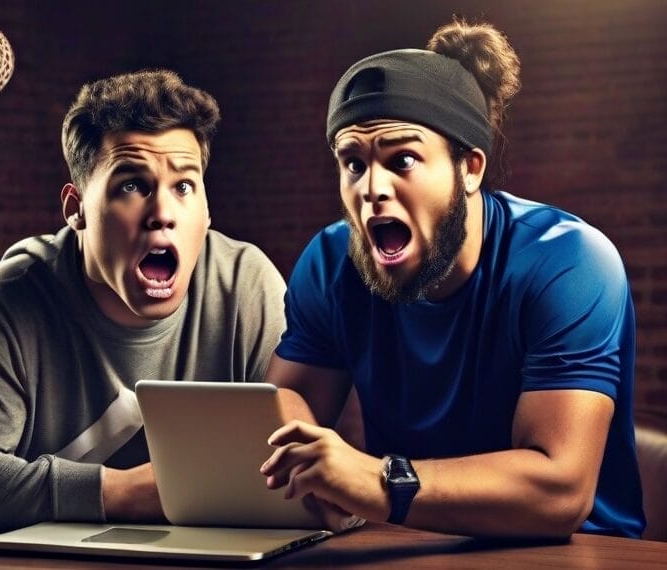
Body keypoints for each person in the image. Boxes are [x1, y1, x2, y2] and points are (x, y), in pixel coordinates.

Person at [260, 18, 645, 539]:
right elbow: (281, 413)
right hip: (409, 542)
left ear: (470, 168)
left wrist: (375, 481)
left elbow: (558, 490)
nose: (371, 188)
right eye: (353, 163)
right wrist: (306, 468)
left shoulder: (569, 262)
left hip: (569, 553)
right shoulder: (332, 263)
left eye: (403, 160)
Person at [0, 69, 287, 535]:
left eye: (184, 186)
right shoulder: (5, 301)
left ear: (207, 209)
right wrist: (133, 493)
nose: (163, 215)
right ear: (76, 208)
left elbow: (301, 462)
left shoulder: (246, 285)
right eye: (131, 185)